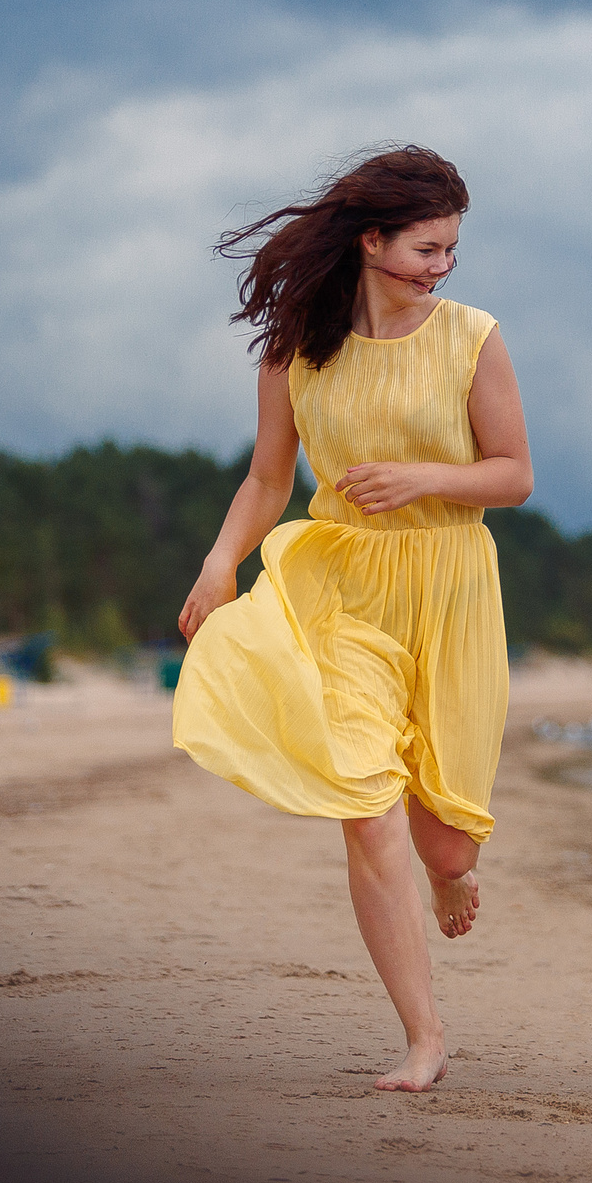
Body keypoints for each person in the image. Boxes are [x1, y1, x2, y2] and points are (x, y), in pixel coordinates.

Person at [173, 146, 531, 1093]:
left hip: (451, 588)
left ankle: (451, 871)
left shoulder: (471, 336)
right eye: (425, 247)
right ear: (371, 240)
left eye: (451, 249)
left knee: (445, 839)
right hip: (342, 590)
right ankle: (424, 1037)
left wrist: (424, 478)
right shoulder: (296, 349)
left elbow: (514, 474)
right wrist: (220, 565)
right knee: (365, 808)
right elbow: (267, 479)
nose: (441, 266)